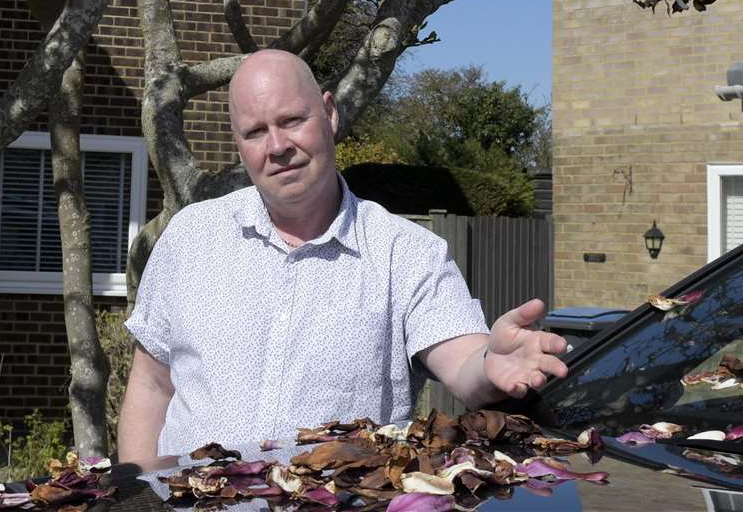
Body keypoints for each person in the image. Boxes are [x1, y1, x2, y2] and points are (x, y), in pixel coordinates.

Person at [117, 49, 568, 462]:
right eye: (256, 131)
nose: (277, 147)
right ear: (238, 142)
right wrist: (132, 494)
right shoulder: (191, 237)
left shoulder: (405, 252)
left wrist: (491, 365)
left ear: (329, 114)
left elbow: (463, 360)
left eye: (292, 120)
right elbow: (151, 384)